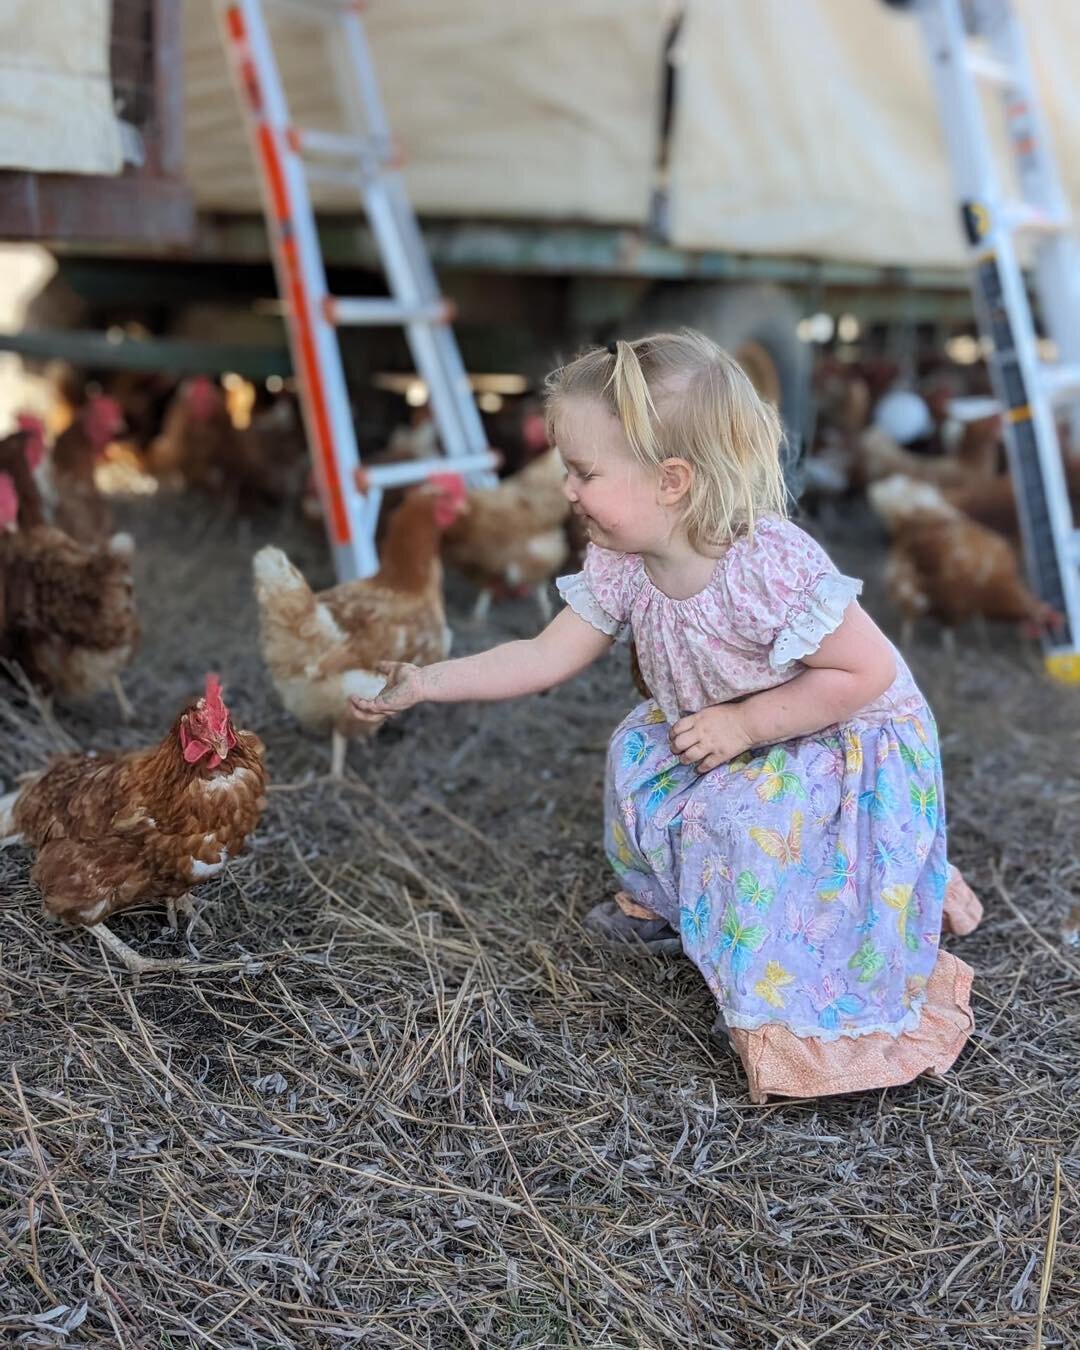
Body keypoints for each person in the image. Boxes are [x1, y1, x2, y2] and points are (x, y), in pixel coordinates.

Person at [350, 331, 982, 1103]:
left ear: (671, 481)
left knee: (747, 817)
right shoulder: (620, 561)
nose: (568, 490)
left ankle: (794, 974)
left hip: (839, 734)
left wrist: (746, 728)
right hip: (736, 724)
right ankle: (673, 902)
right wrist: (426, 681)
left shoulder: (768, 564)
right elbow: (543, 657)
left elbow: (866, 673)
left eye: (583, 472)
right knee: (640, 752)